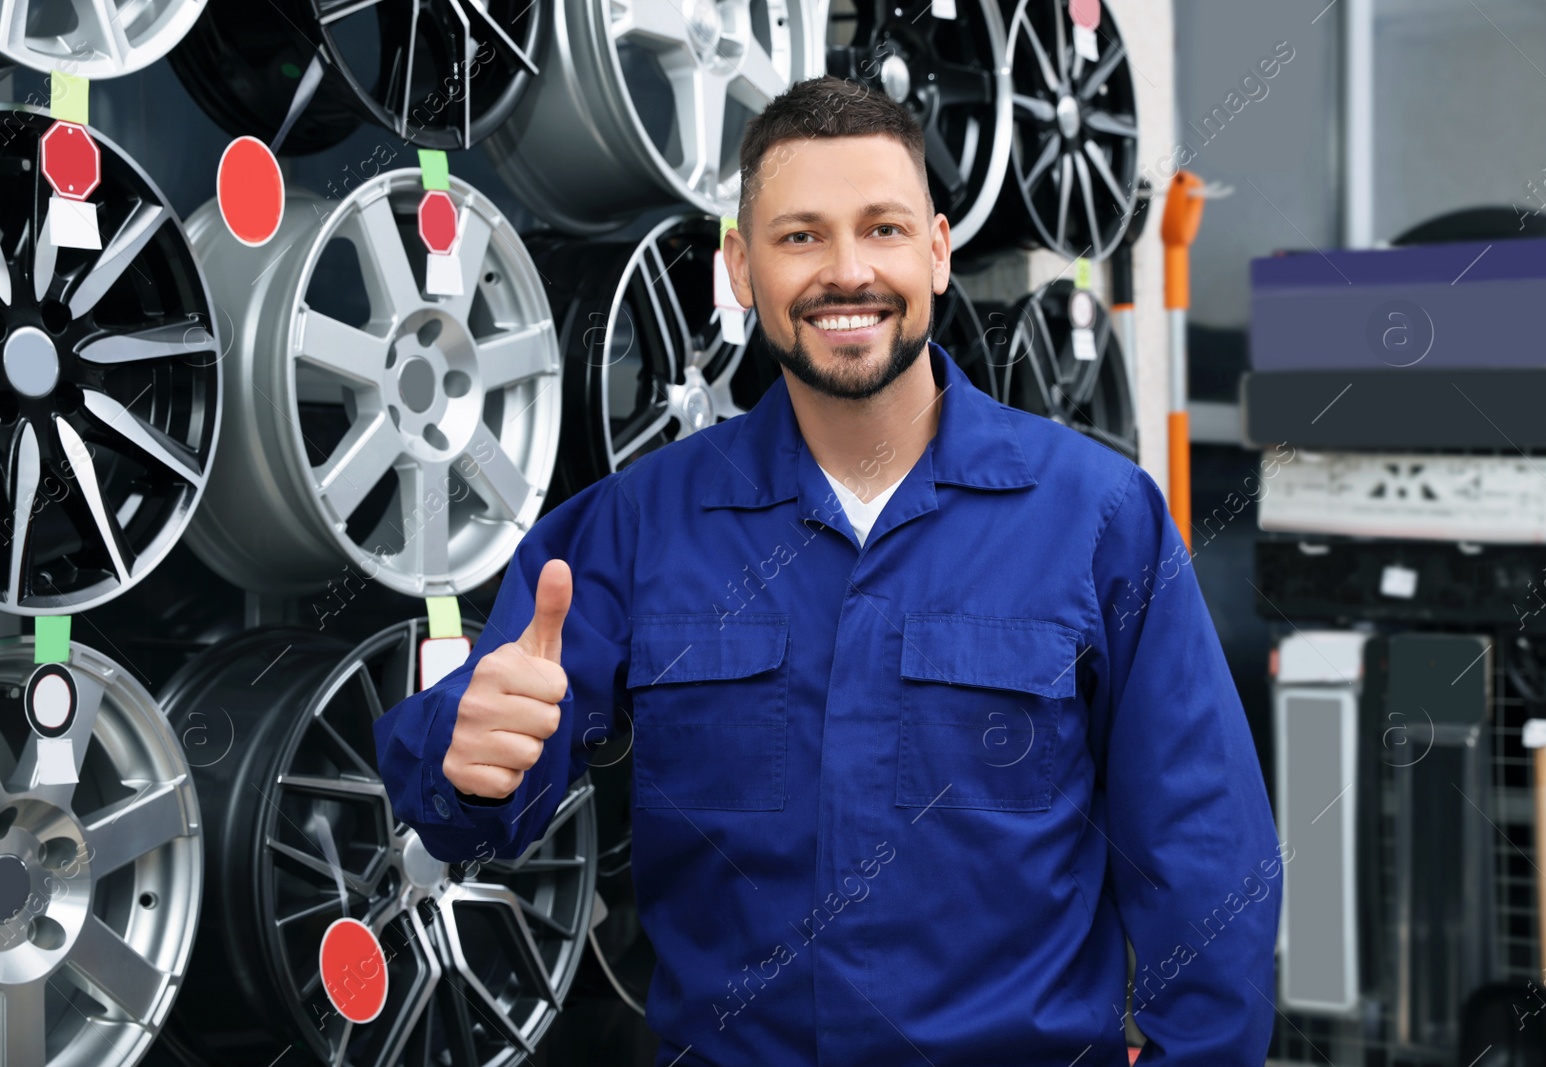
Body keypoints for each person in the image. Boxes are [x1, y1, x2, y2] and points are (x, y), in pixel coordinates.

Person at [374, 74, 1281, 1066]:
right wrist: (466, 760)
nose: (847, 271)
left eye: (883, 229)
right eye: (800, 235)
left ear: (937, 251)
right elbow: (473, 788)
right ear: (741, 265)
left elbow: (1203, 845)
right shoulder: (641, 522)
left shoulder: (1096, 515)